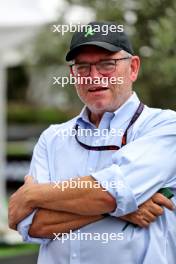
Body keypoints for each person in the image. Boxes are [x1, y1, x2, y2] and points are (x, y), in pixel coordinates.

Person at [8, 21, 176, 264]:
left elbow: (111, 193)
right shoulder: (52, 138)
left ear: (133, 68)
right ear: (72, 74)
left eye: (107, 64)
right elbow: (32, 225)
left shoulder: (165, 126)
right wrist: (125, 208)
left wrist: (32, 195)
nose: (94, 76)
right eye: (83, 67)